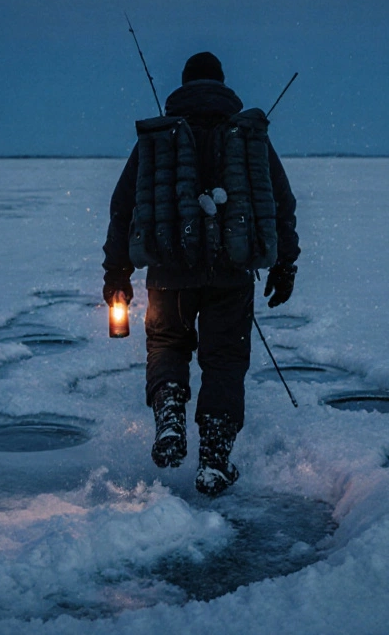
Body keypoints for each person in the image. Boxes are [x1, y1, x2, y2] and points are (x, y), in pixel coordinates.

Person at [102, 52, 300, 497]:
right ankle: (214, 459)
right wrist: (284, 263)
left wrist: (117, 272)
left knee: (167, 344)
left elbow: (123, 206)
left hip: (169, 272)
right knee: (225, 358)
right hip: (231, 272)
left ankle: (171, 417)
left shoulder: (161, 136)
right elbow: (281, 202)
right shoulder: (246, 137)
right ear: (222, 84)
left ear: (184, 84)